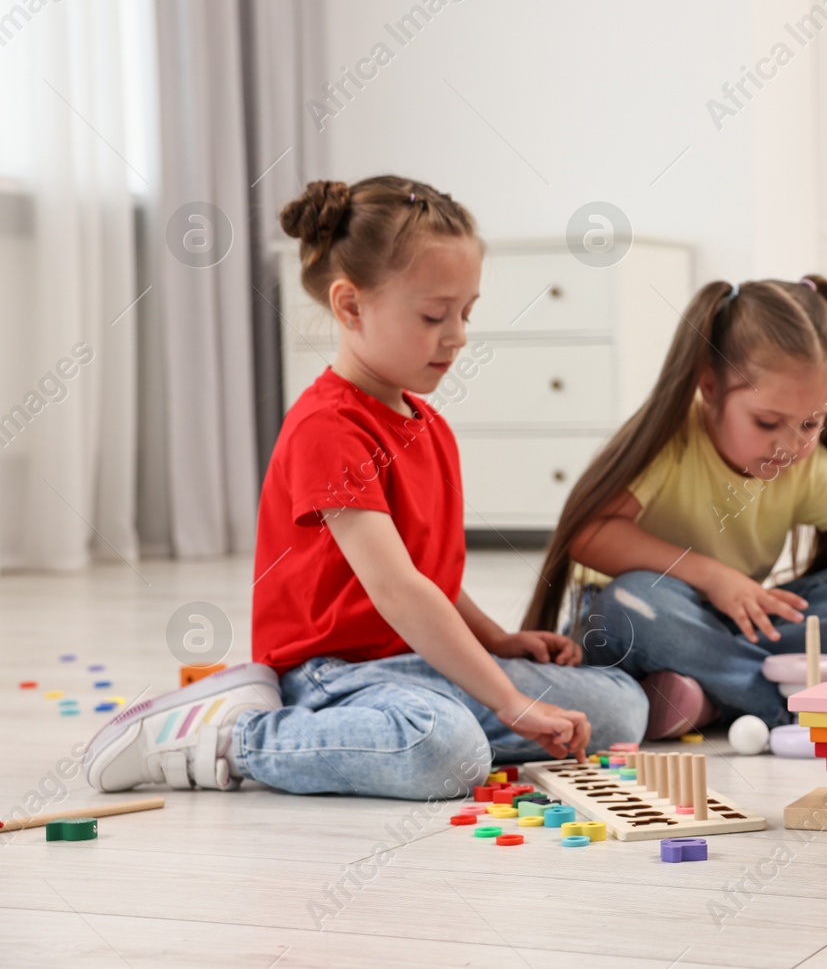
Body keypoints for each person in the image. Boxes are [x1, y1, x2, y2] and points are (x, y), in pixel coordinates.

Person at [87, 176, 646, 799]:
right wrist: (511, 699)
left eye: (466, 312)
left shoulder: (428, 426)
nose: (458, 335)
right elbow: (399, 589)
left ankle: (406, 734)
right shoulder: (328, 427)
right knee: (445, 752)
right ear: (350, 307)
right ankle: (234, 735)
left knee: (622, 707)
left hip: (417, 665)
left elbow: (429, 580)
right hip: (334, 673)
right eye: (435, 315)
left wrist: (498, 642)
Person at [522, 277, 827, 737]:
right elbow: (589, 535)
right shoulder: (671, 442)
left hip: (730, 628)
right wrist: (712, 577)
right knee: (631, 601)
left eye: (811, 422)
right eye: (767, 421)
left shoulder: (809, 467)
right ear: (710, 388)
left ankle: (709, 694)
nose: (791, 445)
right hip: (645, 617)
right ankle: (795, 704)